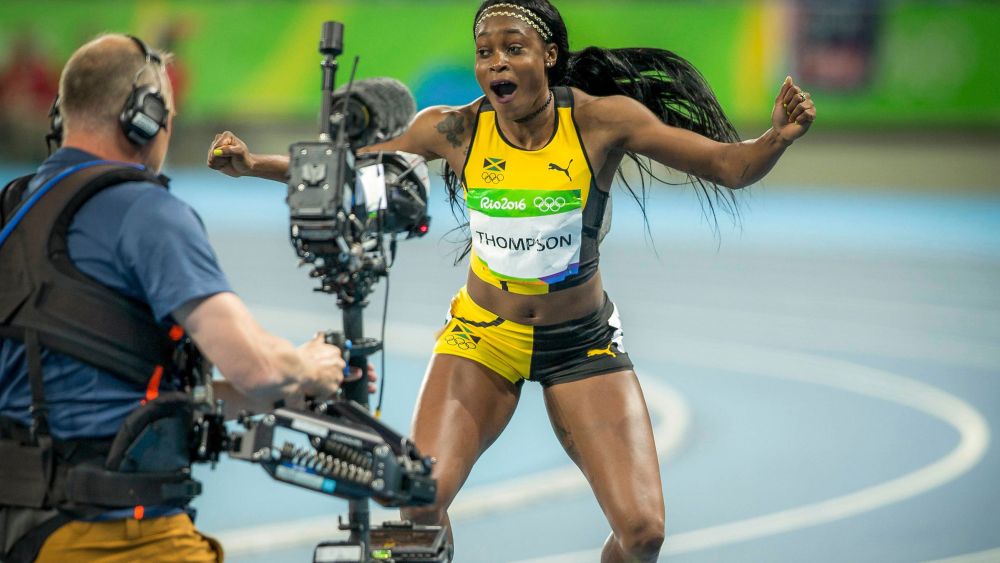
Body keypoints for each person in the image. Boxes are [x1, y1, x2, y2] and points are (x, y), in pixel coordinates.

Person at [208, 1, 816, 560]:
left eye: (513, 48)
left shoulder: (601, 121)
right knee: (414, 503)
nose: (496, 62)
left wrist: (776, 138)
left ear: (548, 56)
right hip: (482, 336)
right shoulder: (454, 129)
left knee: (643, 534)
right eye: (485, 52)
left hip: (581, 345)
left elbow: (729, 166)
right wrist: (254, 165)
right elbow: (345, 171)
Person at [0, 34, 370, 563]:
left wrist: (297, 392)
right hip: (112, 532)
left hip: (20, 527)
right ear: (145, 116)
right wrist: (309, 365)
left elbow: (117, 389)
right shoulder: (144, 211)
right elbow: (258, 367)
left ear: (62, 116)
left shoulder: (14, 208)